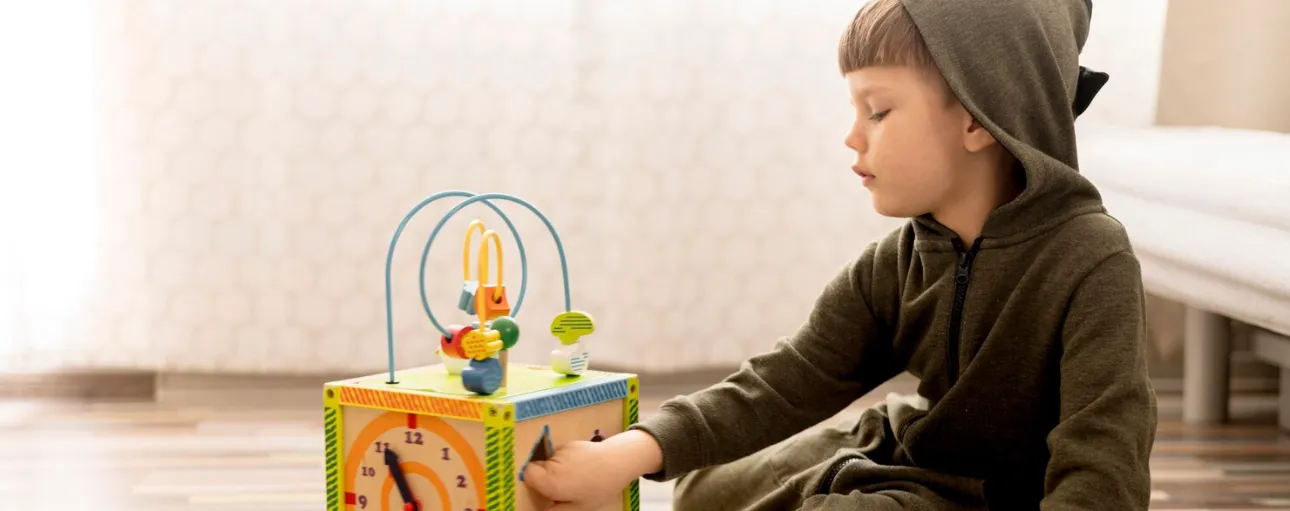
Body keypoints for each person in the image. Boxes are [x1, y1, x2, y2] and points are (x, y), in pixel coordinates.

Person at [522, 0, 1158, 508]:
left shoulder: (1090, 258)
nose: (852, 136)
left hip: (996, 493)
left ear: (977, 119)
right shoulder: (897, 261)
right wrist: (627, 453)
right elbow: (787, 380)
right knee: (702, 490)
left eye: (877, 111)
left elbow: (1104, 457)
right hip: (907, 450)